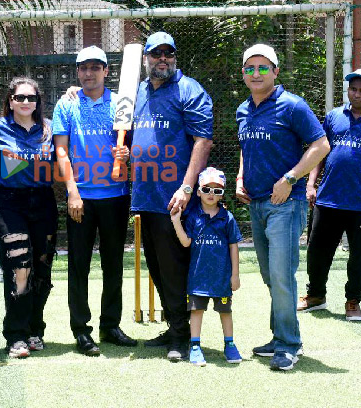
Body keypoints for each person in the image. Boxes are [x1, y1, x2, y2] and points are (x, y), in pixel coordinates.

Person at [235, 44, 330, 371]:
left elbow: (321, 145)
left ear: (275, 71)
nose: (256, 73)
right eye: (250, 68)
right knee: (269, 275)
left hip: (285, 205)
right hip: (257, 204)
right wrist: (239, 177)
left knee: (281, 275)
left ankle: (290, 344)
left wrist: (290, 178)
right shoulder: (243, 110)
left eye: (263, 67)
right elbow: (247, 148)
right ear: (243, 73)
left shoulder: (293, 106)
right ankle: (280, 337)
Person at [131, 32, 214, 361]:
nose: (162, 59)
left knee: (174, 268)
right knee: (156, 266)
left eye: (168, 54)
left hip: (174, 198)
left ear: (175, 57)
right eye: (155, 54)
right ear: (146, 59)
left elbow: (203, 141)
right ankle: (173, 326)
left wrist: (186, 187)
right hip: (144, 196)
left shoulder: (189, 89)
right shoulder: (135, 92)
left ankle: (182, 336)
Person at [52, 45, 136, 356]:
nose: (89, 73)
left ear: (106, 71)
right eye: (83, 68)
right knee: (79, 266)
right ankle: (81, 329)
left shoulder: (121, 104)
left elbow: (130, 147)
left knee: (114, 264)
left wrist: (125, 156)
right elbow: (61, 151)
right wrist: (72, 192)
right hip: (81, 199)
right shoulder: (66, 104)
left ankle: (110, 325)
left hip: (115, 197)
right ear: (78, 72)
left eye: (95, 67)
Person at [298, 68, 361, 321]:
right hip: (327, 199)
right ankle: (316, 296)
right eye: (353, 89)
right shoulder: (334, 117)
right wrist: (311, 184)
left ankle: (353, 301)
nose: (356, 94)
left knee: (358, 256)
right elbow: (320, 152)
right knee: (317, 251)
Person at [0, 77, 57, 358]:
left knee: (41, 269)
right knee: (20, 267)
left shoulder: (49, 129)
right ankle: (15, 334)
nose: (26, 102)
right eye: (20, 98)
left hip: (43, 201)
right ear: (10, 100)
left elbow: (62, 161)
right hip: (9, 203)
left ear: (38, 101)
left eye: (31, 98)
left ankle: (34, 330)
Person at [171, 167, 243, 366]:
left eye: (217, 190)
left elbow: (234, 247)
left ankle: (229, 344)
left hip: (222, 277)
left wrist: (235, 275)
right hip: (197, 277)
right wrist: (176, 221)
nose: (212, 194)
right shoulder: (193, 216)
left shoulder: (227, 218)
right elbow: (186, 242)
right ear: (198, 191)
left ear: (222, 194)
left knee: (225, 311)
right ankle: (195, 346)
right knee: (196, 311)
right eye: (207, 189)